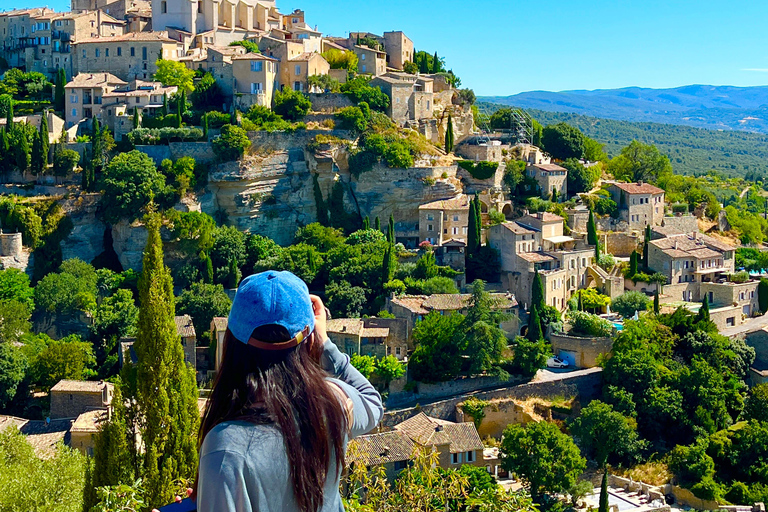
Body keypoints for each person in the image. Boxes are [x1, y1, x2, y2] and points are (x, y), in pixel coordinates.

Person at [195, 270, 383, 512]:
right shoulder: (333, 404)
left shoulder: (225, 448)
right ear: (308, 337)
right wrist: (325, 344)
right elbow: (372, 403)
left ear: (231, 342)